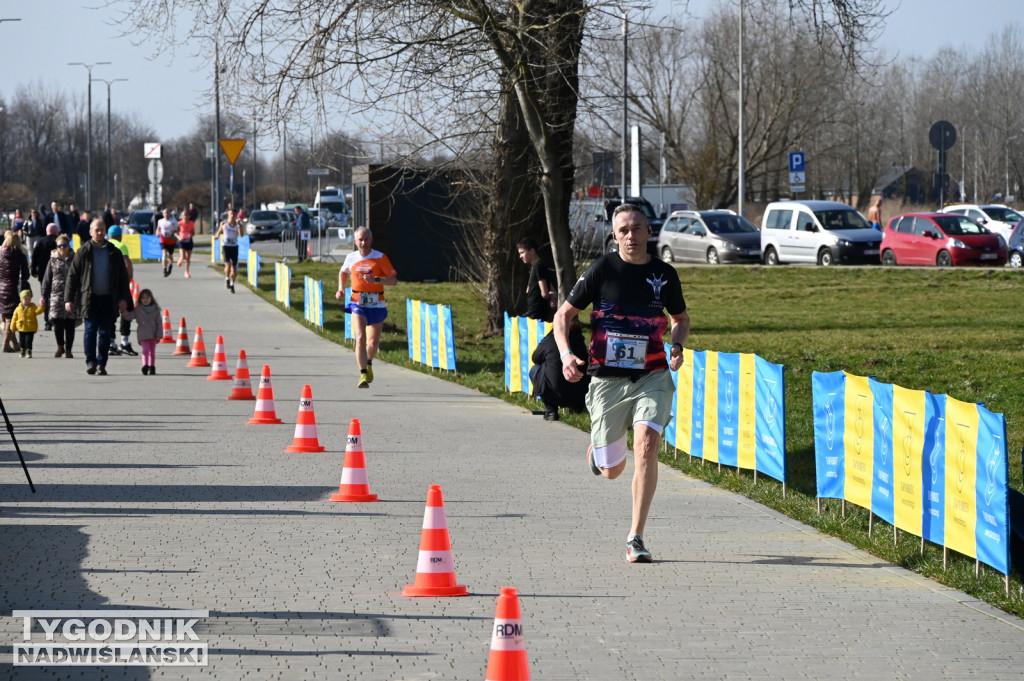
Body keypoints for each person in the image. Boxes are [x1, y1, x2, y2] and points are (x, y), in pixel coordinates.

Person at [554, 203, 689, 564]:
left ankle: (636, 537)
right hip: (608, 379)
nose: (631, 235)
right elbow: (563, 316)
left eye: (637, 228)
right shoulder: (601, 269)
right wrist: (567, 355)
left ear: (649, 231)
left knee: (647, 445)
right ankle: (600, 454)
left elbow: (680, 318)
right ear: (614, 236)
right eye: (623, 230)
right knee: (613, 471)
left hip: (653, 375)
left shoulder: (664, 273)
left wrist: (677, 346)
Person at [64, 219, 133, 375]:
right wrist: (68, 299)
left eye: (102, 230)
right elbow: (72, 276)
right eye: (97, 230)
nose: (100, 232)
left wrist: (124, 299)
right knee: (90, 330)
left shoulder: (114, 252)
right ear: (90, 232)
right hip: (90, 299)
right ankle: (91, 362)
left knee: (105, 332)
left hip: (109, 299)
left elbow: (123, 277)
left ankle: (102, 363)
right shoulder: (83, 251)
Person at [335, 226, 398, 389]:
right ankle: (363, 373)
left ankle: (368, 362)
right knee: (361, 337)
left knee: (373, 342)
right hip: (357, 301)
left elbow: (393, 281)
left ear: (371, 240)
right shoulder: (351, 257)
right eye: (360, 240)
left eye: (366, 239)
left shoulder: (380, 257)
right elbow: (343, 272)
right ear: (355, 241)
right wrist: (341, 287)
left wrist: (376, 280)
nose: (363, 243)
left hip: (377, 302)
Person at [530, 315, 590, 421]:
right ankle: (577, 408)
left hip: (554, 392)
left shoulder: (550, 339)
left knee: (535, 369)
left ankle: (550, 410)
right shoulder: (580, 341)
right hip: (579, 393)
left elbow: (535, 358)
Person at [41, 234, 78, 358]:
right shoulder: (52, 259)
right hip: (56, 294)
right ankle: (60, 346)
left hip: (72, 295)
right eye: (59, 246)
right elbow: (47, 278)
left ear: (69, 246)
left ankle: (68, 349)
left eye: (64, 245)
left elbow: (81, 276)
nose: (62, 248)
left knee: (69, 322)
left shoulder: (75, 259)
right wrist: (43, 295)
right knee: (57, 321)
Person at [106, 226, 137, 356]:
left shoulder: (105, 245)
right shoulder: (121, 246)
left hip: (107, 284)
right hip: (120, 284)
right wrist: (129, 278)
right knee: (127, 310)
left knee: (110, 314)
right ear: (120, 236)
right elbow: (127, 264)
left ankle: (111, 343)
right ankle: (124, 342)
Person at [0, 231, 31, 353]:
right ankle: (6, 344)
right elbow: (25, 275)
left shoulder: (0, 254)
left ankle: (16, 344)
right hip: (13, 288)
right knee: (10, 318)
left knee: (6, 316)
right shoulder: (20, 256)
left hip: (1, 288)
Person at [120, 288, 162, 375]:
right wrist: (124, 311)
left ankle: (152, 366)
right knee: (145, 350)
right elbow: (130, 316)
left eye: (147, 298)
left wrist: (159, 334)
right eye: (143, 298)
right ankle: (145, 365)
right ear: (140, 299)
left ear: (151, 298)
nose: (145, 300)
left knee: (152, 352)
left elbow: (159, 323)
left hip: (153, 334)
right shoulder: (138, 310)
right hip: (143, 334)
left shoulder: (156, 310)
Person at [517, 237, 556, 322]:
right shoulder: (540, 266)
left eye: (522, 253)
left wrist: (549, 297)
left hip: (536, 312)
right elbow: (552, 289)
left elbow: (544, 293)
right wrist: (553, 297)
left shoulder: (538, 267)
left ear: (532, 251)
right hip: (538, 311)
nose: (520, 256)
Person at [30, 224, 61, 331]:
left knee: (45, 297)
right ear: (56, 231)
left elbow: (34, 257)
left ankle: (47, 322)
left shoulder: (40, 242)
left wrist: (33, 270)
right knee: (57, 297)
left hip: (43, 275)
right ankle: (57, 319)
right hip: (58, 274)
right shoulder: (59, 242)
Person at [213, 208, 242, 293]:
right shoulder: (224, 223)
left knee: (234, 268)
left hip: (234, 247)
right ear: (228, 214)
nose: (232, 215)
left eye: (234, 214)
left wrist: (239, 225)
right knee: (228, 265)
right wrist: (217, 236)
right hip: (226, 246)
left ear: (236, 215)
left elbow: (241, 235)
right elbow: (219, 232)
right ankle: (227, 278)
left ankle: (232, 284)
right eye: (231, 214)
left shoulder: (238, 224)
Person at [11, 289, 45, 358]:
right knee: (22, 341)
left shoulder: (32, 306)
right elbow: (14, 319)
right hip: (21, 328)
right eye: (25, 298)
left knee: (28, 341)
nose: (27, 300)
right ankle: (22, 350)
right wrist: (13, 327)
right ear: (21, 299)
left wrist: (41, 306)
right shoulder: (18, 308)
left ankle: (28, 351)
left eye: (29, 298)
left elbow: (38, 312)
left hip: (30, 328)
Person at [156, 208, 179, 276]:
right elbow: (158, 228)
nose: (166, 214)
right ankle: (164, 270)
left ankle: (171, 265)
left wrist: (174, 231)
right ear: (163, 214)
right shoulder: (160, 221)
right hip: (163, 239)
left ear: (169, 214)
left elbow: (178, 229)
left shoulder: (173, 221)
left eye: (167, 213)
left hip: (171, 239)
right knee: (164, 254)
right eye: (165, 213)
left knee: (170, 255)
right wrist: (157, 233)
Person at [176, 210, 195, 278]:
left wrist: (191, 235)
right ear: (181, 216)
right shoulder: (179, 223)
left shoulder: (191, 223)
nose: (185, 217)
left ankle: (186, 272)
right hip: (182, 241)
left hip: (189, 241)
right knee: (183, 256)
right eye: (184, 215)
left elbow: (193, 232)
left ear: (188, 216)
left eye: (186, 215)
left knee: (188, 258)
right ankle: (180, 259)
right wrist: (179, 237)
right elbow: (175, 233)